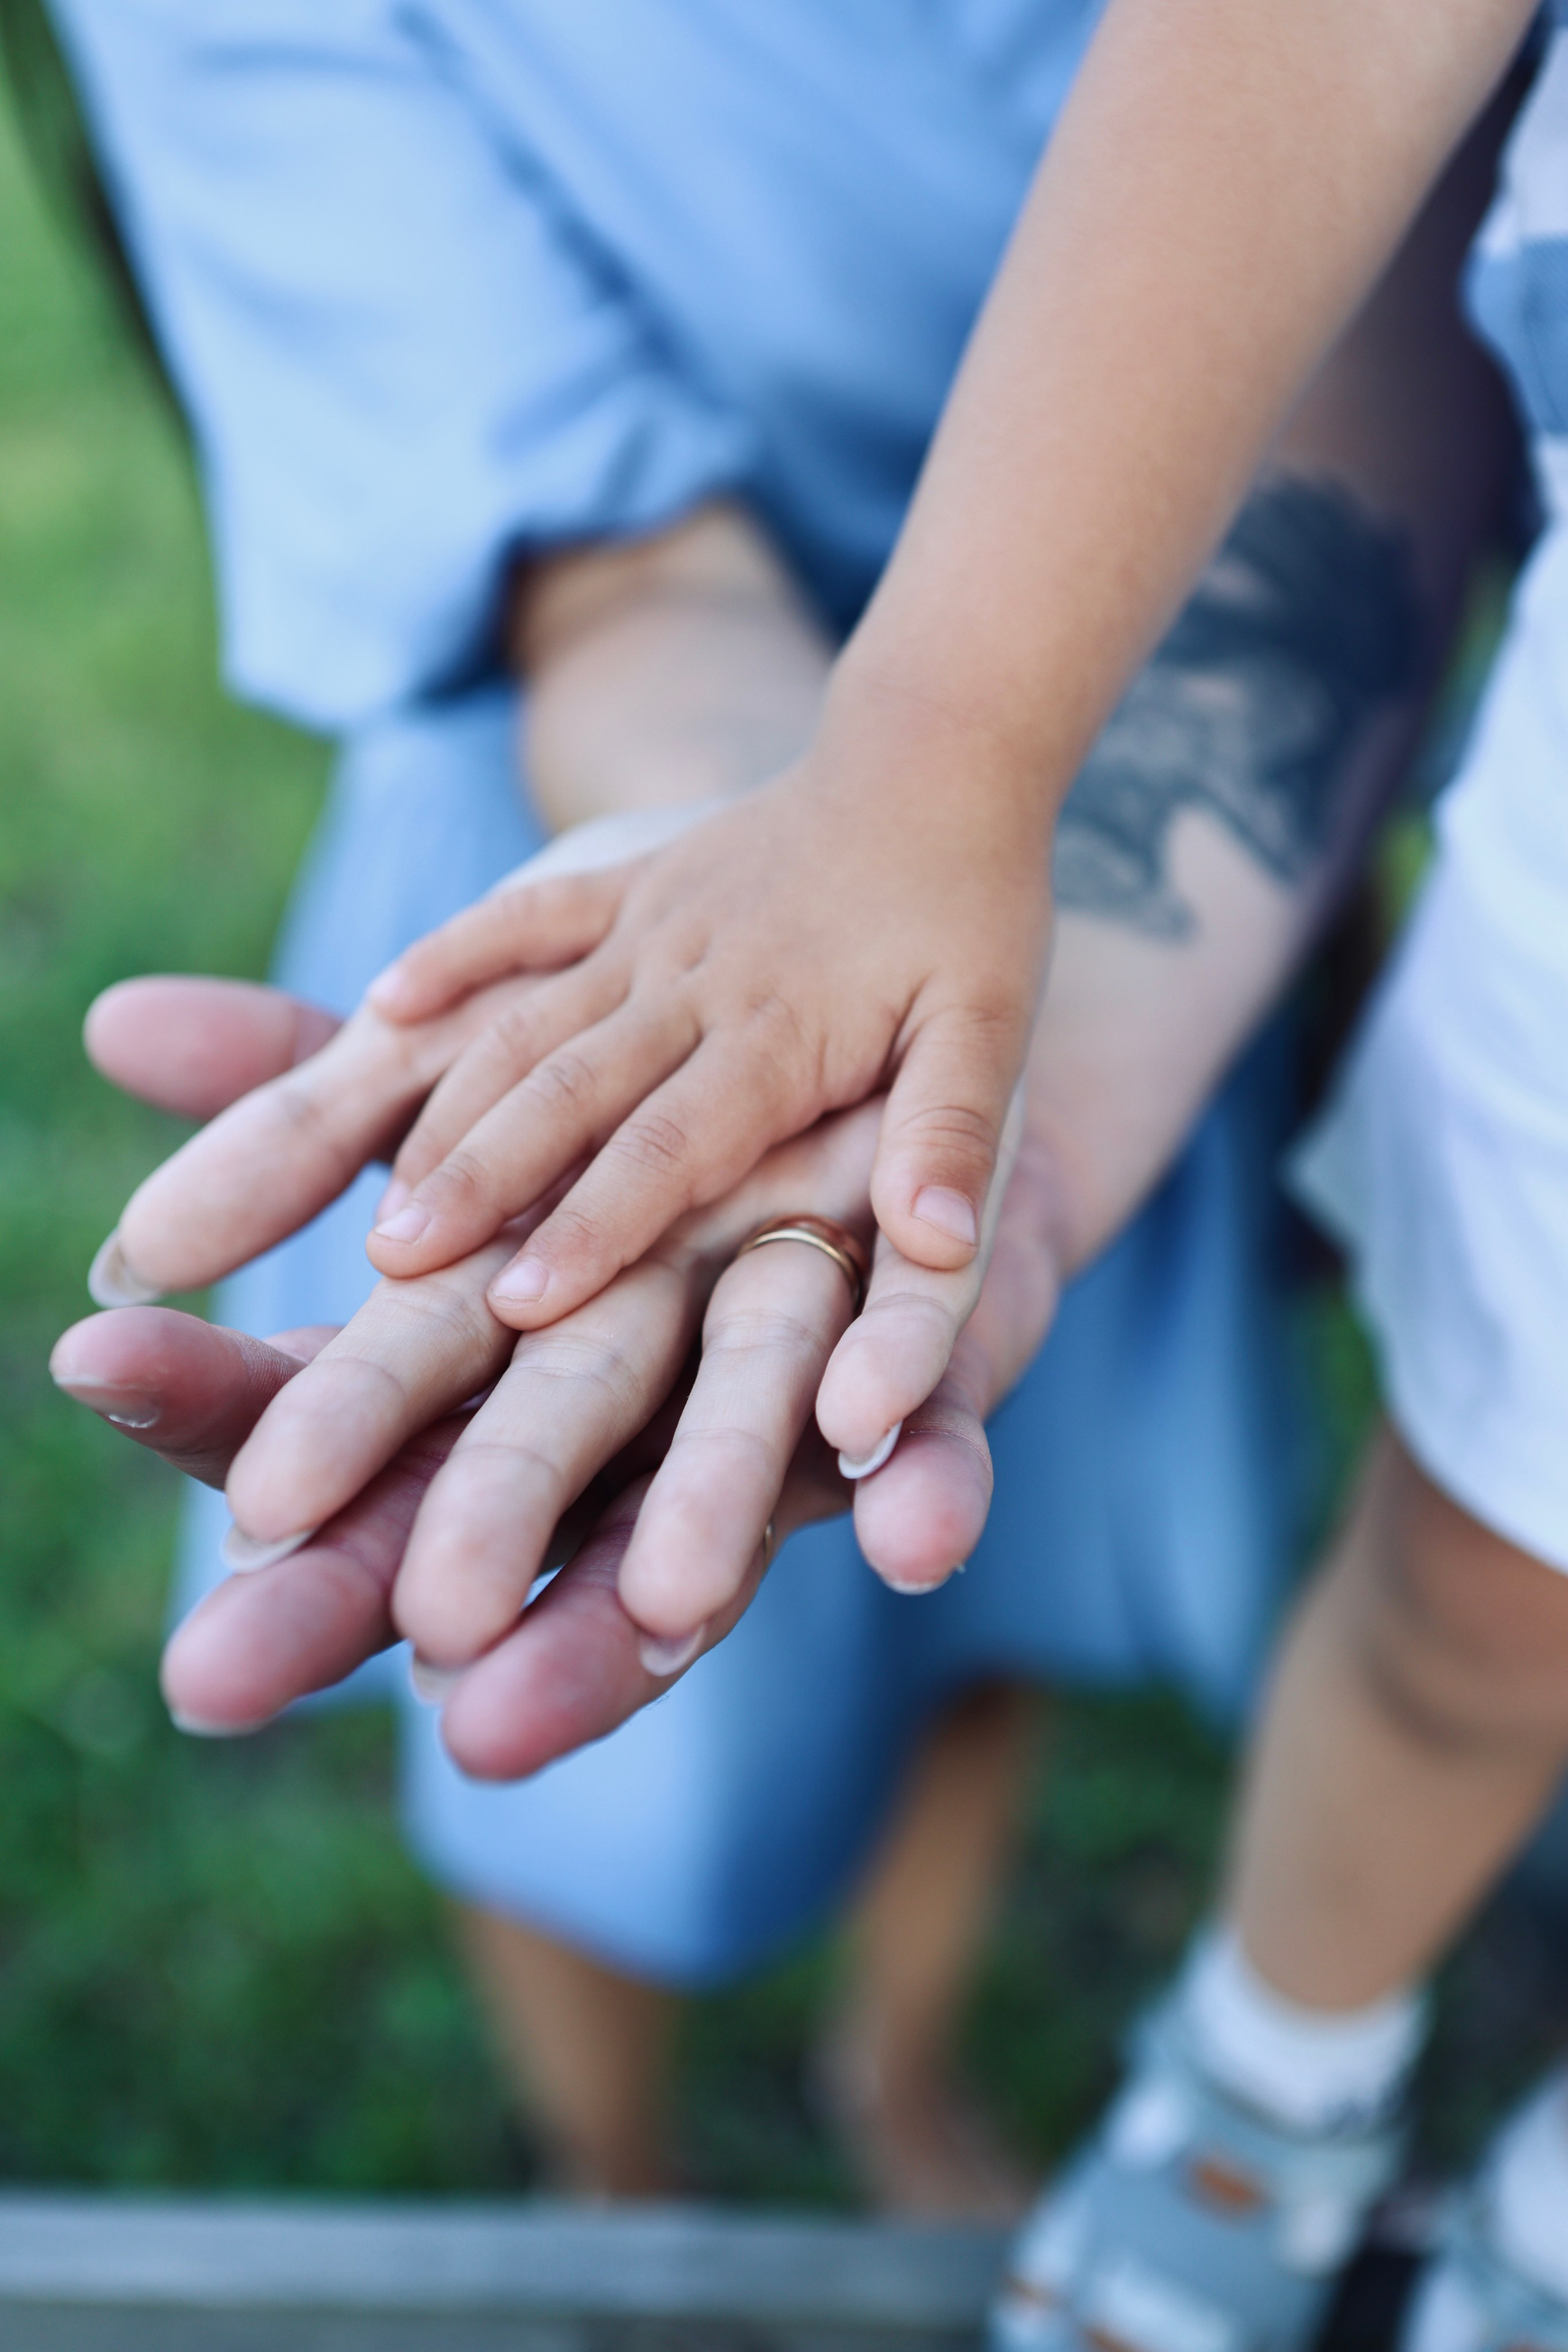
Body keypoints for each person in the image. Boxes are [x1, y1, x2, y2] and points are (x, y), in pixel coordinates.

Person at [37, 0, 1507, 2215]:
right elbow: (610, 568)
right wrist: (780, 879)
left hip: (1137, 854)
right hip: (609, 871)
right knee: (543, 1607)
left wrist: (965, 842)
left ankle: (895, 2069)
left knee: (948, 1511)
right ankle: (610, 2165)